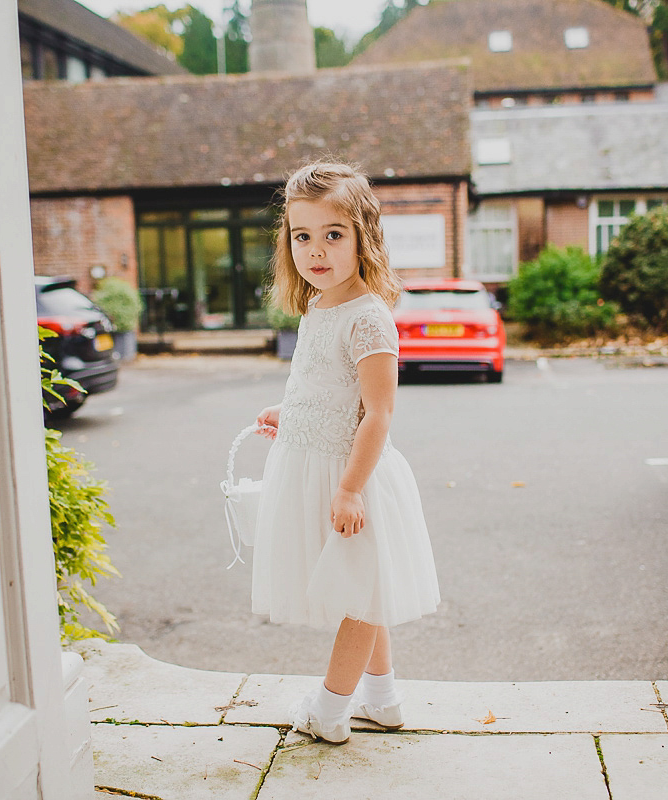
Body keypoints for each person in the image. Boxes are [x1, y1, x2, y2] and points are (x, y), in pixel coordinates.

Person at [250, 161, 440, 744]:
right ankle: (381, 698)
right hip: (316, 465)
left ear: (364, 236)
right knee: (364, 589)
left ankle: (331, 708)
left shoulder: (368, 318)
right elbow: (327, 387)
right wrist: (293, 414)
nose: (317, 250)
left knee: (357, 596)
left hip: (352, 474)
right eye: (303, 236)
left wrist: (351, 488)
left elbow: (378, 412)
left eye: (334, 234)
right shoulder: (317, 306)